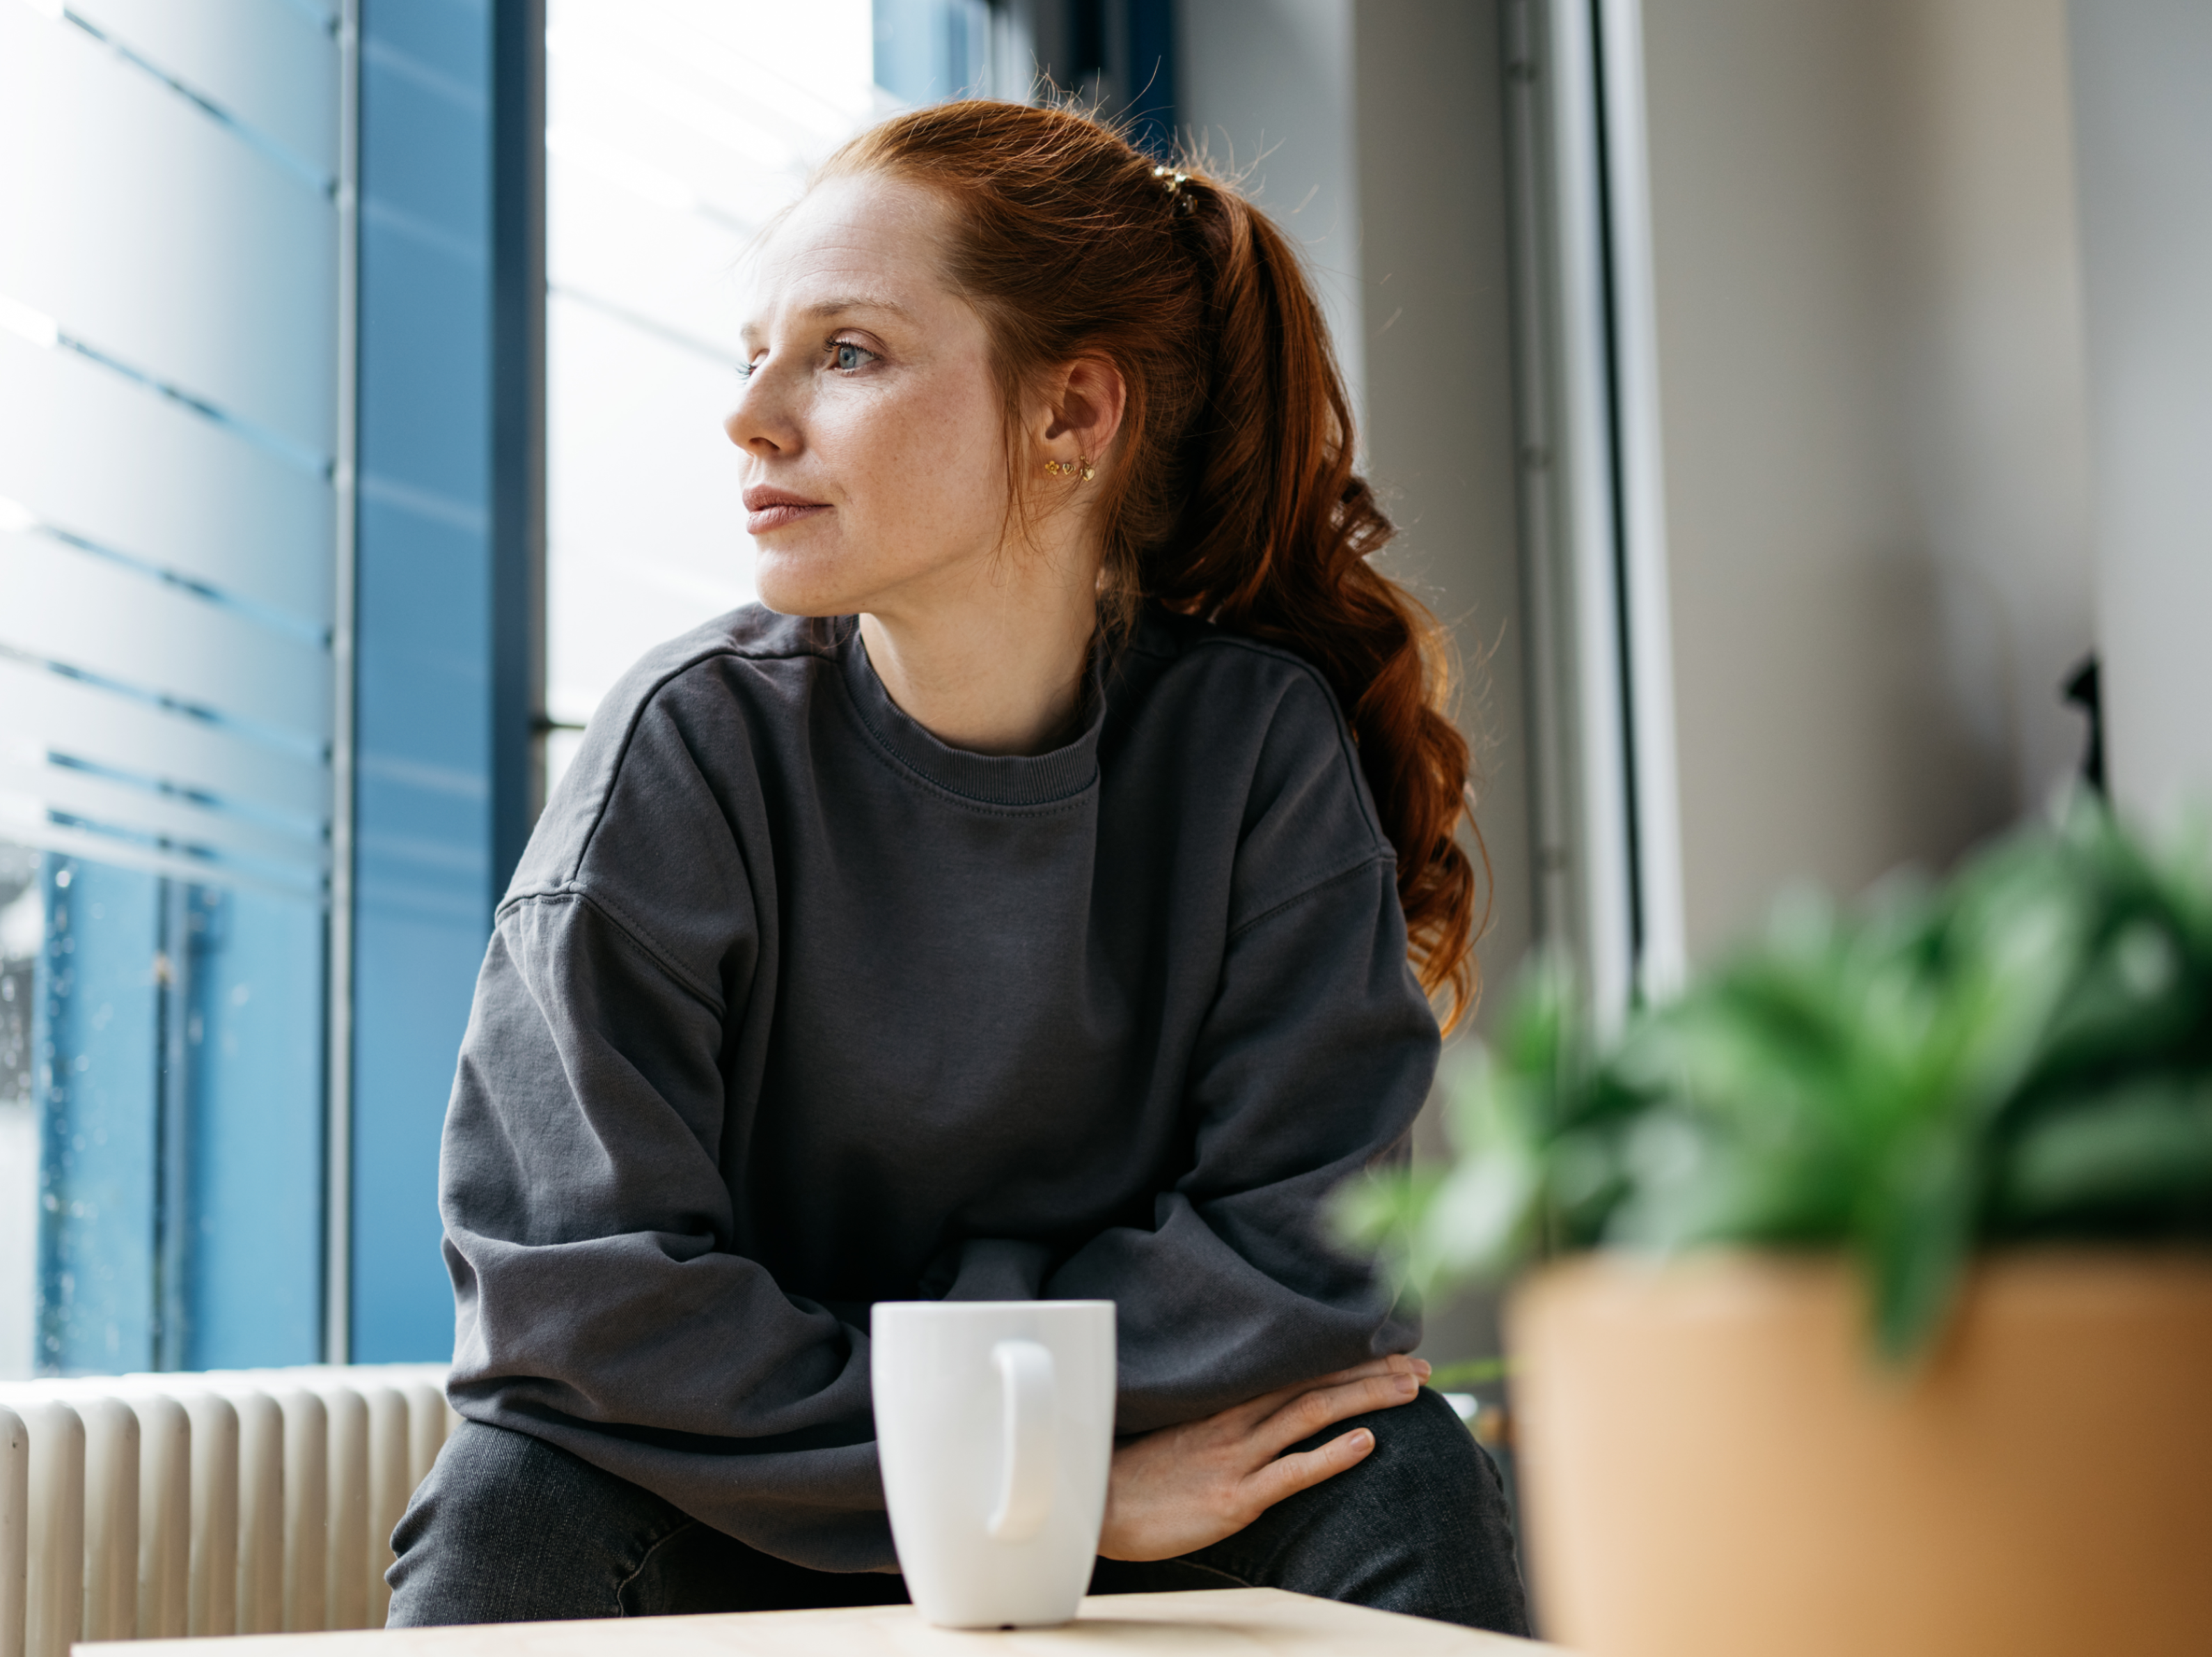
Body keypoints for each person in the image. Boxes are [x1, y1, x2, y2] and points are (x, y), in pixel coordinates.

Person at [385, 99, 1527, 1634]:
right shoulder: (684, 746)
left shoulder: (1254, 749)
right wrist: (1028, 1476)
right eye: (754, 352)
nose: (752, 415)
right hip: (763, 1495)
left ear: (1072, 416)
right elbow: (574, 1295)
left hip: (1139, 1476)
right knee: (514, 1489)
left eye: (845, 353)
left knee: (1397, 1462)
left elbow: (1305, 1259)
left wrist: (1035, 1471)